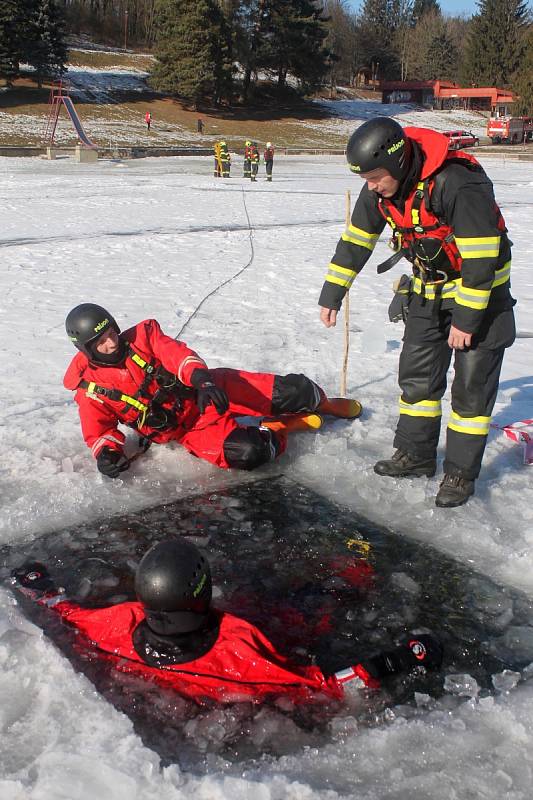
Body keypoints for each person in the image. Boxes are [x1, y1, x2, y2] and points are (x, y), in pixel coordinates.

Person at [319, 117, 516, 508]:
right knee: (418, 382)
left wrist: (466, 319)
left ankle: (460, 474)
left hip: (481, 299)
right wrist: (332, 293)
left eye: (375, 177)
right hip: (427, 292)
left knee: (471, 394)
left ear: (396, 163)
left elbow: (481, 259)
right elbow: (356, 241)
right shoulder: (379, 192)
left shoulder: (458, 182)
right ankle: (416, 455)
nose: (370, 186)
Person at [12, 538, 443, 705]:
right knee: (308, 607)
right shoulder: (239, 650)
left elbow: (63, 611)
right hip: (231, 659)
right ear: (201, 592)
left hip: (166, 663)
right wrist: (402, 658)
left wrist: (37, 585)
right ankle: (357, 571)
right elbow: (322, 687)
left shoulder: (115, 624)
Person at [64, 304, 362, 478]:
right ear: (86, 349)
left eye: (112, 333)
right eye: (101, 342)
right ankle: (279, 429)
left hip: (210, 390)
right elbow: (98, 431)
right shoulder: (90, 391)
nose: (112, 343)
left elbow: (177, 355)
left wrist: (202, 380)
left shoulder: (145, 337)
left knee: (294, 390)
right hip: (192, 428)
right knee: (250, 451)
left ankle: (322, 403)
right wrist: (106, 454)